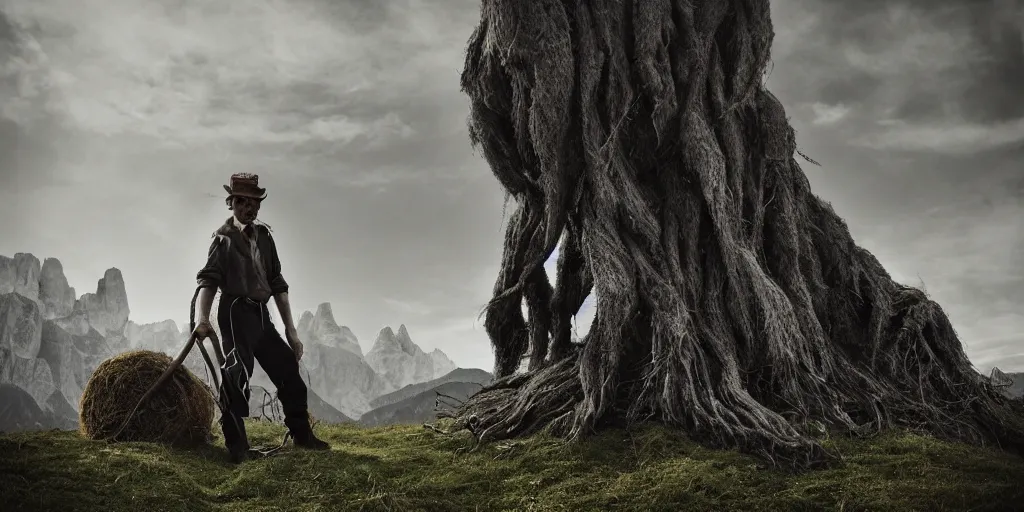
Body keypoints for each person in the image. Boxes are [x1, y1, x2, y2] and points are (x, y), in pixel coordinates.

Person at [192, 172, 330, 463]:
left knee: (287, 368)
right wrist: (201, 319)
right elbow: (209, 281)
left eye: (254, 202)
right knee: (235, 375)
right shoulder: (223, 239)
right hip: (234, 312)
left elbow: (277, 283)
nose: (249, 208)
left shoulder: (265, 237)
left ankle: (303, 436)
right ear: (231, 203)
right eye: (242, 202)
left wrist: (291, 331)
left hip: (260, 314)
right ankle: (238, 449)